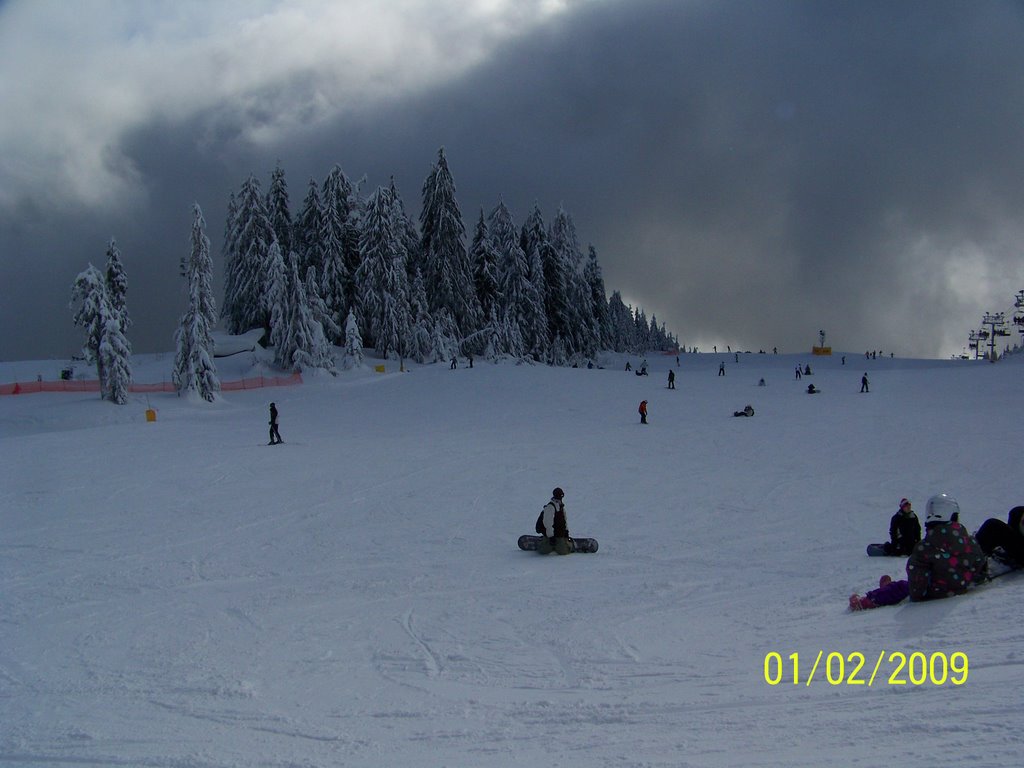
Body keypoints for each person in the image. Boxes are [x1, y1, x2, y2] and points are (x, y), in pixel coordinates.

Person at [906, 493, 987, 601]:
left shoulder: (924, 548)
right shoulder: (970, 541)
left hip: (936, 597)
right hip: (964, 587)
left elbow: (917, 590)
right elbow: (980, 565)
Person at [535, 487, 571, 555]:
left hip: (559, 534)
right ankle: (542, 542)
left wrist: (566, 531)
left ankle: (565, 543)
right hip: (551, 535)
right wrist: (551, 537)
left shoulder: (561, 507)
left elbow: (564, 520)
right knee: (544, 551)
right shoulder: (550, 507)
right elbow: (548, 523)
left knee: (563, 552)